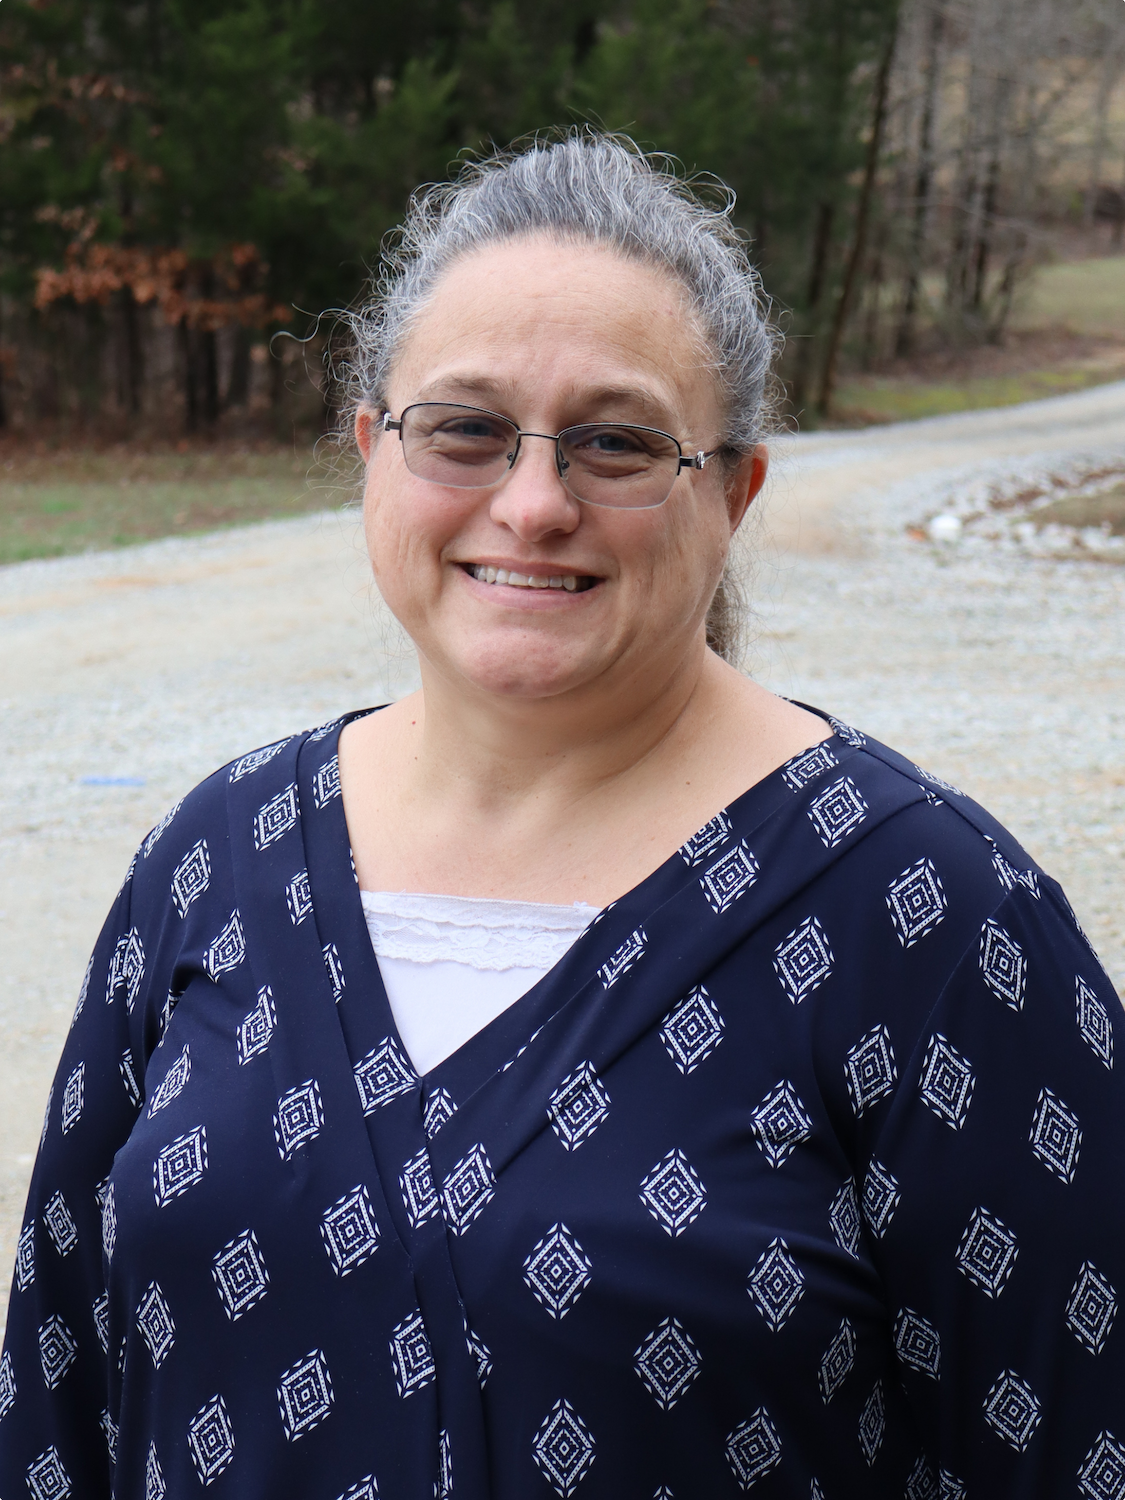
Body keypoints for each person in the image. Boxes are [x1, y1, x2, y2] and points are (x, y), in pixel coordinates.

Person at [1, 132, 1122, 1500]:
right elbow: (58, 1395)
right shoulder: (215, 860)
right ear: (372, 449)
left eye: (618, 442)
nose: (532, 505)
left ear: (734, 491)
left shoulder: (934, 921)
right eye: (466, 428)